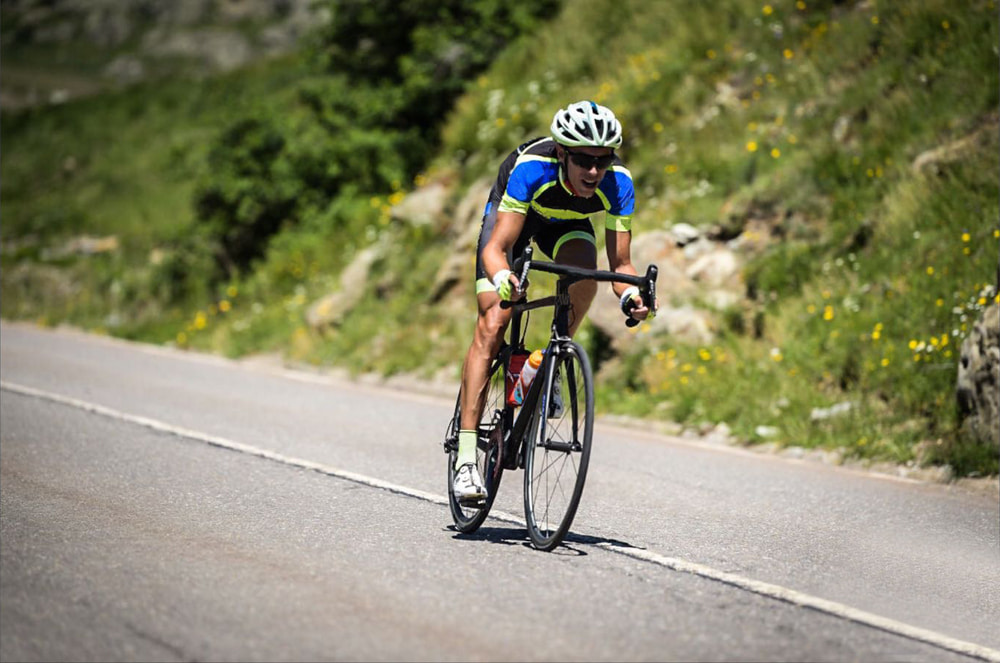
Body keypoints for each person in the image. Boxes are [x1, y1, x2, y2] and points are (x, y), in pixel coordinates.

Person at [453, 100, 655, 502]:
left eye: (603, 159)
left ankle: (550, 361)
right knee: (494, 322)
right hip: (515, 220)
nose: (594, 171)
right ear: (562, 153)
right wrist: (503, 277)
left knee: (584, 277)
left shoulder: (619, 183)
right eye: (583, 160)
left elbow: (622, 264)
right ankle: (465, 459)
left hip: (565, 226)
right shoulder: (532, 168)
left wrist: (632, 294)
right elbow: (497, 248)